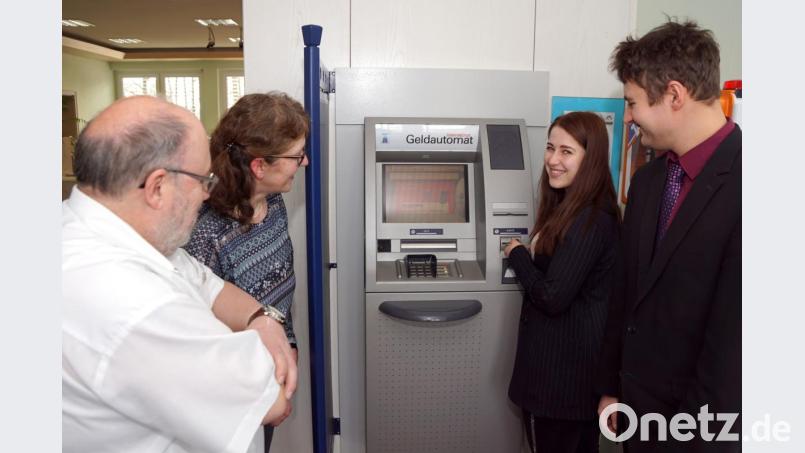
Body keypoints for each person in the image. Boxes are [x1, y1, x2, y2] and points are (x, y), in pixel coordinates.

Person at [62, 95, 298, 453]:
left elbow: (208, 285)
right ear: (157, 187)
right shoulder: (135, 305)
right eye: (203, 180)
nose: (207, 195)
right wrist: (268, 337)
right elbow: (269, 400)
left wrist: (260, 318)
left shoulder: (112, 231)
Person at [596, 20, 741, 452]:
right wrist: (610, 387)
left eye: (633, 103)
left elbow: (733, 348)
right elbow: (625, 293)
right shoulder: (649, 180)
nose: (628, 117)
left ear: (674, 95)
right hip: (636, 420)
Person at [183, 92, 309, 452]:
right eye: (297, 155)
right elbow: (203, 347)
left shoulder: (274, 201)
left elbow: (278, 288)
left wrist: (289, 345)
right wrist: (261, 396)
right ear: (259, 167)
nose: (305, 162)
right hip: (231, 398)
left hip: (271, 370)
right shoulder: (206, 234)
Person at [503, 111, 621, 453]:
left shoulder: (591, 219)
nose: (553, 160)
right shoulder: (572, 207)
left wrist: (517, 255)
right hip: (563, 383)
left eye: (567, 151)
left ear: (591, 158)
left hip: (561, 387)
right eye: (550, 148)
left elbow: (552, 296)